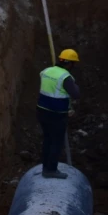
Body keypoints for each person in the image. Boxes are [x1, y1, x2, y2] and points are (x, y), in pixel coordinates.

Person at [36, 48, 82, 179]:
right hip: (57, 114)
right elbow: (76, 94)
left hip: (41, 111)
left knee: (47, 139)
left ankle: (45, 166)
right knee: (56, 142)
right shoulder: (66, 77)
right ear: (70, 63)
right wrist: (75, 85)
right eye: (73, 64)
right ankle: (51, 170)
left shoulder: (46, 71)